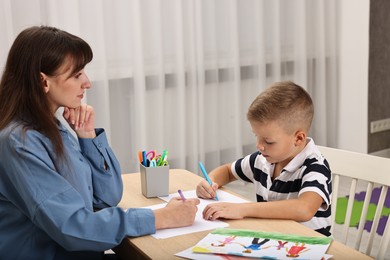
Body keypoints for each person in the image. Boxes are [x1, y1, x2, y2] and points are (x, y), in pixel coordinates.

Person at [0, 25, 199, 259]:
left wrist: (87, 137)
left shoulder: (51, 127)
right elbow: (72, 227)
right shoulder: (19, 142)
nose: (87, 82)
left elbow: (105, 198)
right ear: (43, 81)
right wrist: (162, 217)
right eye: (76, 75)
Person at [196, 81, 332, 236]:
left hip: (310, 247)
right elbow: (227, 171)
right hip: (272, 239)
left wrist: (242, 209)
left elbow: (304, 208)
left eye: (268, 141)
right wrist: (210, 182)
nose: (259, 146)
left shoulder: (315, 167)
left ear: (298, 139)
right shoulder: (263, 160)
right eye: (257, 136)